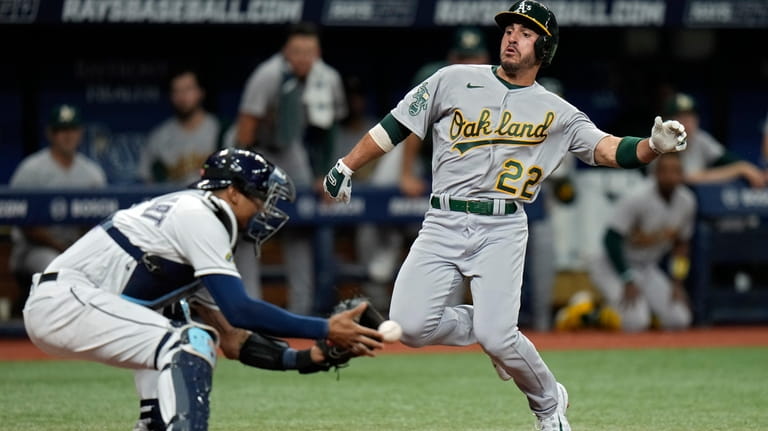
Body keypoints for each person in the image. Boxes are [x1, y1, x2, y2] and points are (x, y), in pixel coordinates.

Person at [322, 1, 688, 429]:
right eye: (510, 28)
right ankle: (489, 326)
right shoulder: (452, 79)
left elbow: (607, 149)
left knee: (499, 336)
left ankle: (549, 404)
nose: (513, 37)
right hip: (442, 220)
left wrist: (652, 146)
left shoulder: (557, 110)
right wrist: (347, 164)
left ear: (544, 48)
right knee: (409, 327)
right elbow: (396, 124)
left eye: (526, 32)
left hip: (502, 224)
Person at [23, 148, 383, 431]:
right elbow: (241, 309)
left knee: (180, 327)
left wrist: (311, 356)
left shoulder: (199, 226)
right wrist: (324, 327)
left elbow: (234, 337)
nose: (263, 209)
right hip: (64, 301)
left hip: (78, 305)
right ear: (230, 192)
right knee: (188, 342)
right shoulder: (200, 213)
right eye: (259, 197)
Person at [233, 21, 348, 314]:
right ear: (286, 50)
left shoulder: (327, 78)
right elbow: (245, 129)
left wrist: (326, 173)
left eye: (309, 52)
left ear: (317, 52)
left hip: (291, 151)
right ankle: (251, 309)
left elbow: (329, 130)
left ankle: (301, 310)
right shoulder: (268, 75)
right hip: (256, 149)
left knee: (301, 224)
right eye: (297, 51)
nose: (303, 58)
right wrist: (244, 180)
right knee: (249, 225)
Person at [8, 103, 107, 317]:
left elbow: (98, 222)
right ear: (50, 133)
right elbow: (27, 225)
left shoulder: (92, 173)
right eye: (61, 130)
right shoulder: (31, 169)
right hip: (35, 249)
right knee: (51, 264)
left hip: (76, 247)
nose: (67, 136)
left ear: (80, 133)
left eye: (72, 129)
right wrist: (63, 249)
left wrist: (79, 249)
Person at [585, 152, 694, 332]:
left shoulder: (687, 201)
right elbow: (611, 238)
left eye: (676, 171)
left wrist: (677, 282)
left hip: (647, 266)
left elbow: (681, 245)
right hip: (613, 265)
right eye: (665, 171)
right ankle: (593, 315)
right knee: (636, 322)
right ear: (655, 173)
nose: (670, 176)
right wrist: (627, 278)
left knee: (679, 319)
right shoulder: (637, 197)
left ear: (682, 173)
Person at [139, 67, 223, 186]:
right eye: (176, 91)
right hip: (174, 200)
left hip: (211, 200)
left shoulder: (221, 130)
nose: (182, 97)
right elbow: (146, 180)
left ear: (201, 92)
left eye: (188, 89)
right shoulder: (159, 136)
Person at [664, 92, 767, 188]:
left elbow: (728, 160)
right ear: (668, 120)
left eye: (691, 117)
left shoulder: (700, 138)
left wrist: (744, 168)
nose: (687, 122)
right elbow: (685, 179)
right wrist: (739, 169)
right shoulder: (660, 141)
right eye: (681, 117)